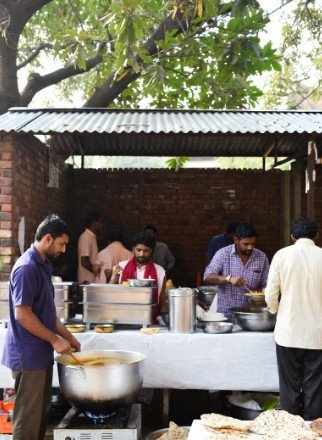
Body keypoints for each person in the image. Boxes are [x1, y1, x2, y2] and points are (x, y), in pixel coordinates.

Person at [1, 214, 81, 440]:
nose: (64, 250)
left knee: (41, 415)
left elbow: (46, 313)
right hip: (28, 354)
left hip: (41, 353)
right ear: (48, 238)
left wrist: (68, 336)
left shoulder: (43, 265)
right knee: (28, 420)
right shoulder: (26, 267)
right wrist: (55, 340)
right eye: (62, 243)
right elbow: (23, 314)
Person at [265, 218, 322, 420]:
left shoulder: (282, 255)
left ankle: (289, 429)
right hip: (318, 335)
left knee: (289, 387)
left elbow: (270, 294)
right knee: (315, 387)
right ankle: (313, 429)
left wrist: (277, 311)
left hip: (288, 332)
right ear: (316, 236)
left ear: (292, 237)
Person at [203, 222, 269, 322]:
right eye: (246, 244)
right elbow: (207, 277)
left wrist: (264, 292)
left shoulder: (261, 257)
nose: (250, 247)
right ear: (236, 240)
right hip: (226, 316)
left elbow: (266, 283)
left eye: (253, 244)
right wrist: (228, 279)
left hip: (252, 316)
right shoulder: (223, 254)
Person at [110, 233, 167, 321]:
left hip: (150, 318)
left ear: (151, 251)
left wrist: (164, 318)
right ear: (133, 250)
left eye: (146, 251)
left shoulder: (160, 271)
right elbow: (110, 292)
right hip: (123, 317)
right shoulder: (121, 267)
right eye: (138, 250)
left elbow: (162, 299)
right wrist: (114, 276)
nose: (141, 254)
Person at [77, 210, 103, 283]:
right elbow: (84, 261)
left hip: (91, 281)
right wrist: (97, 272)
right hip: (86, 281)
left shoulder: (92, 237)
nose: (102, 225)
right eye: (100, 222)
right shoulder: (85, 237)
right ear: (94, 223)